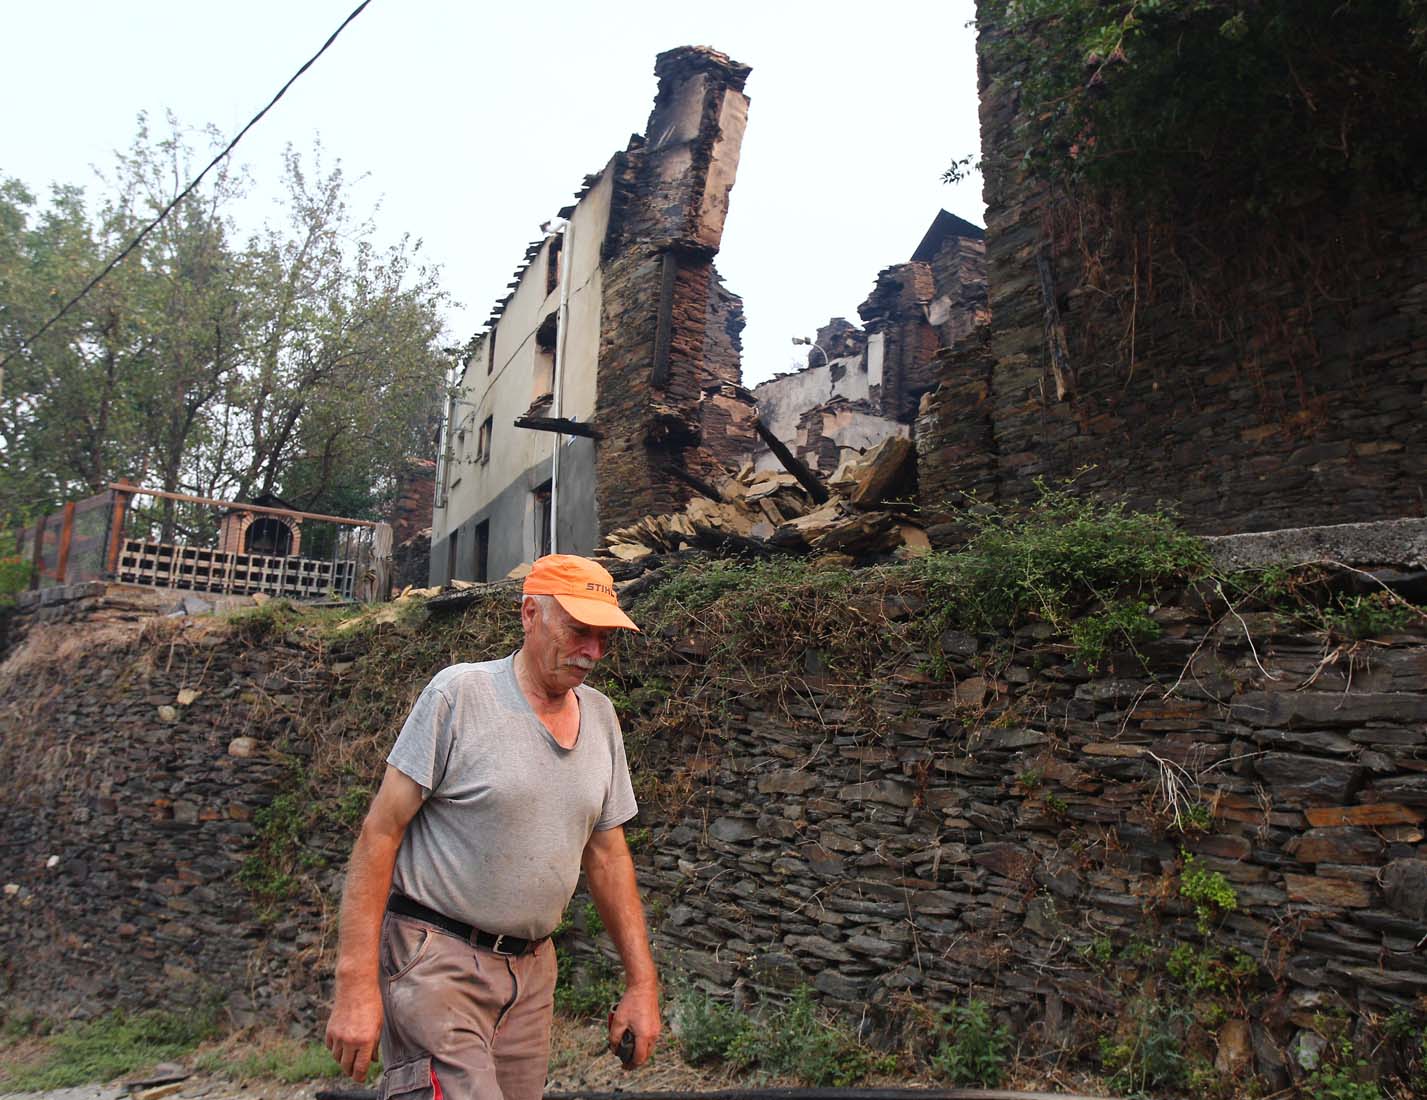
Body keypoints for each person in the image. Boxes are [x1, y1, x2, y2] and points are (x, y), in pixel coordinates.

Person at [324, 554, 660, 1099]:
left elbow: (607, 855)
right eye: (578, 630)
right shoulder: (459, 696)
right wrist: (356, 983)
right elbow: (379, 834)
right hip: (437, 962)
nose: (593, 652)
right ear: (530, 614)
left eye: (604, 638)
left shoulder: (600, 717)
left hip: (531, 977)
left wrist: (642, 984)